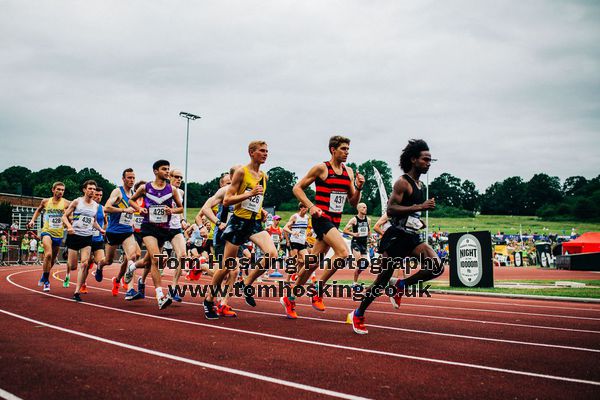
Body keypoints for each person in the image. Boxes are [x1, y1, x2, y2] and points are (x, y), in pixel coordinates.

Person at [347, 139, 441, 334]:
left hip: (412, 236)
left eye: (431, 160)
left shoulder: (420, 185)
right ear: (414, 159)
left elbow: (409, 213)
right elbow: (390, 209)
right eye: (425, 159)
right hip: (397, 237)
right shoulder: (402, 182)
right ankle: (358, 313)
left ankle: (401, 285)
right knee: (381, 280)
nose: (429, 163)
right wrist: (420, 207)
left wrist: (417, 218)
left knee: (436, 266)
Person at [281, 135, 364, 318]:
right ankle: (317, 290)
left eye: (348, 149)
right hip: (321, 218)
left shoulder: (348, 172)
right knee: (343, 253)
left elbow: (352, 201)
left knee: (311, 264)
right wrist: (311, 207)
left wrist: (358, 188)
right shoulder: (321, 168)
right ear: (333, 150)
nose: (347, 152)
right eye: (343, 149)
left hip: (335, 220)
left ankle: (290, 297)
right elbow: (297, 188)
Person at [203, 141, 278, 319]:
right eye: (262, 151)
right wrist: (249, 194)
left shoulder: (264, 176)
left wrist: (261, 211)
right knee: (226, 267)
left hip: (254, 223)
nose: (266, 154)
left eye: (267, 151)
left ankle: (247, 283)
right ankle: (208, 300)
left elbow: (256, 202)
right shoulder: (241, 172)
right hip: (238, 223)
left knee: (272, 254)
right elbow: (228, 200)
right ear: (251, 152)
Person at [129, 159, 184, 310]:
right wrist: (139, 209)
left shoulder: (172, 190)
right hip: (148, 228)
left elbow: (181, 208)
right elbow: (131, 201)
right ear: (155, 171)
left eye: (168, 169)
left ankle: (132, 268)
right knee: (157, 259)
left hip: (164, 229)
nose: (167, 171)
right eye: (164, 169)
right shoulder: (145, 187)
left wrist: (171, 211)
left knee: (150, 261)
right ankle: (160, 296)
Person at [94, 168, 142, 300]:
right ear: (123, 179)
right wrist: (124, 210)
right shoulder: (118, 191)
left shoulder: (134, 194)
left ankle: (130, 290)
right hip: (113, 231)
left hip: (127, 232)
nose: (132, 180)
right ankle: (99, 265)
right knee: (108, 260)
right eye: (129, 178)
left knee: (132, 257)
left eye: (133, 178)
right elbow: (107, 208)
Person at [61, 180, 104, 302]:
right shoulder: (77, 202)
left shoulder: (96, 206)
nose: (92, 191)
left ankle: (76, 292)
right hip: (74, 236)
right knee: (73, 266)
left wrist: (101, 229)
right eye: (90, 188)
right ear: (84, 190)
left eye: (94, 189)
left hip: (87, 237)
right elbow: (64, 216)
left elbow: (93, 221)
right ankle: (67, 252)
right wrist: (69, 226)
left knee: (85, 263)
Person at [27, 182, 69, 291]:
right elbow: (38, 210)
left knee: (53, 259)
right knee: (48, 255)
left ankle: (44, 275)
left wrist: (69, 221)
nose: (60, 192)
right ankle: (46, 280)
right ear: (53, 190)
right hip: (46, 232)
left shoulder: (66, 203)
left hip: (58, 234)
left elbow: (72, 214)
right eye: (58, 189)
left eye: (62, 190)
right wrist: (32, 221)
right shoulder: (45, 201)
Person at [343, 203, 371, 288]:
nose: (365, 209)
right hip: (356, 242)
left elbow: (368, 231)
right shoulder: (354, 220)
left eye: (366, 207)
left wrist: (370, 238)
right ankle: (350, 260)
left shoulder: (368, 220)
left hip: (364, 244)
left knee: (364, 264)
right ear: (359, 209)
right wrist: (353, 234)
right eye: (363, 207)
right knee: (359, 260)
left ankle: (354, 282)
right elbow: (345, 230)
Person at [282, 204, 310, 285]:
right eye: (304, 207)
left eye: (306, 207)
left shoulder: (307, 218)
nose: (306, 209)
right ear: (300, 208)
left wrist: (306, 239)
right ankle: (287, 280)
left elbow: (303, 230)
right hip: (294, 242)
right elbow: (285, 228)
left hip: (302, 242)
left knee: (307, 261)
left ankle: (298, 275)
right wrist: (292, 232)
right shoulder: (295, 217)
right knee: (294, 262)